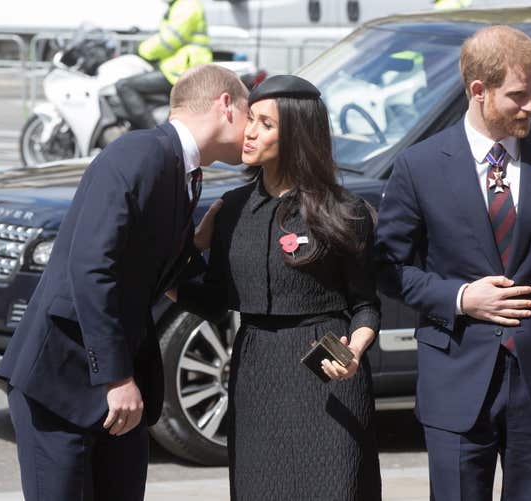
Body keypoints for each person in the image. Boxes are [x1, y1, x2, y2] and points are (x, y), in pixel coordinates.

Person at [375, 25, 531, 500]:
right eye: (518, 95)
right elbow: (388, 268)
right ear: (478, 91)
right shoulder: (419, 166)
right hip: (456, 378)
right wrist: (462, 298)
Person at [0, 64, 249, 501]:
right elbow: (91, 268)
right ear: (226, 105)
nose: (252, 129)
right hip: (62, 382)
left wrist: (195, 247)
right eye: (251, 113)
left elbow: (151, 273)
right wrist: (116, 379)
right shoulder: (142, 153)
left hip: (115, 393)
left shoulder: (183, 170)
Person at [170, 75, 382, 500]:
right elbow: (211, 299)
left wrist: (355, 350)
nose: (249, 131)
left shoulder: (345, 211)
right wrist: (183, 254)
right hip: (256, 371)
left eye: (266, 124)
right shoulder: (231, 209)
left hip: (327, 373)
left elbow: (365, 305)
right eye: (250, 119)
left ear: (299, 135)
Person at [116, 0, 212, 130]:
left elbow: (170, 40)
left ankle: (153, 132)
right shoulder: (180, 5)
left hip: (182, 70)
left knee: (124, 85)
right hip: (178, 67)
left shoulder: (187, 6)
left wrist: (142, 50)